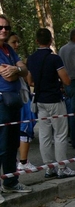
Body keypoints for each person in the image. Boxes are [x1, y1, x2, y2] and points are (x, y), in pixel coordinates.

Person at [27, 28, 75, 179]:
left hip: (40, 100)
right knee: (60, 134)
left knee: (44, 135)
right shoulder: (55, 59)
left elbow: (30, 81)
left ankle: (49, 167)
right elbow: (66, 80)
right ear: (50, 41)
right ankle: (62, 167)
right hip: (54, 99)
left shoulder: (31, 59)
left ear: (36, 41)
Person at [0, 14, 32, 202]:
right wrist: (17, 70)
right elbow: (10, 76)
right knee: (2, 145)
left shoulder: (8, 50)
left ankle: (11, 182)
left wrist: (17, 69)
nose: (4, 30)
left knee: (12, 144)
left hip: (12, 102)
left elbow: (24, 70)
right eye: (0, 27)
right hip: (1, 103)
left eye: (7, 27)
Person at [7, 32, 37, 172]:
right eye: (14, 42)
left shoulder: (14, 57)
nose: (17, 45)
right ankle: (23, 162)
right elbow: (16, 76)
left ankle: (17, 162)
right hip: (16, 100)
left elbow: (26, 73)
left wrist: (20, 70)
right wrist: (20, 70)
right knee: (24, 128)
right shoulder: (6, 59)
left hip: (21, 97)